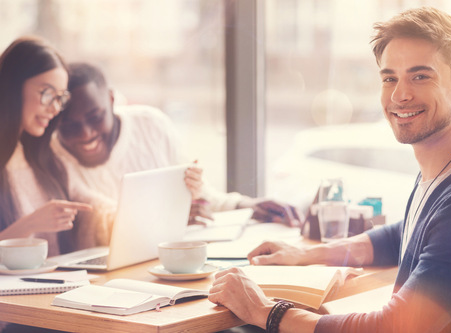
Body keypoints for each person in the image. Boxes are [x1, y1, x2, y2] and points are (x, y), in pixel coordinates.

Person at [208, 7, 451, 333]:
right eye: (390, 78)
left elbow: (392, 327)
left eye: (420, 76)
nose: (400, 94)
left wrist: (264, 311)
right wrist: (306, 254)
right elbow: (404, 234)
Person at [51, 62, 302, 244]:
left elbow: (198, 197)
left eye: (96, 117)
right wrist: (168, 221)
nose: (86, 134)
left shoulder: (151, 124)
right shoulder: (53, 157)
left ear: (111, 99)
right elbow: (95, 223)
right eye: (69, 125)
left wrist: (246, 205)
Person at [0, 36, 92, 256]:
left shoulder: (43, 157)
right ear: (12, 86)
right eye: (47, 93)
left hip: (55, 283)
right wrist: (30, 224)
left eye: (60, 97)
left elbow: (91, 202)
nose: (54, 108)